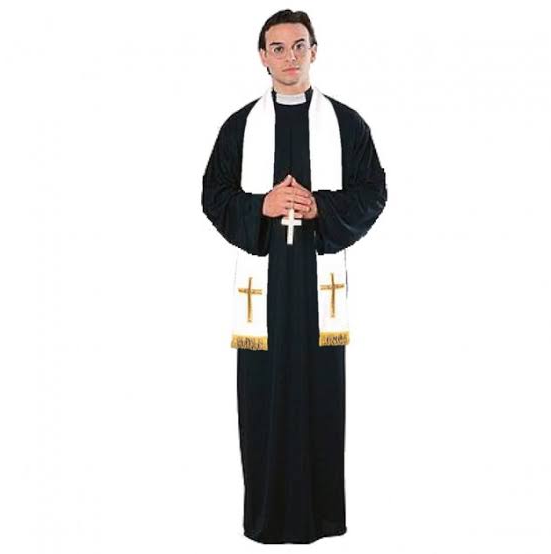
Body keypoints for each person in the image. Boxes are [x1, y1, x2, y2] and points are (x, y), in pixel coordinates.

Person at [201, 9, 387, 544]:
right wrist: (259, 205)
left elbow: (374, 192)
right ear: (263, 56)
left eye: (299, 45)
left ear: (314, 51)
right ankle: (266, 516)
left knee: (320, 394)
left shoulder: (346, 124)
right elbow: (213, 194)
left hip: (317, 287)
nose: (289, 57)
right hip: (264, 291)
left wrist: (319, 207)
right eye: (278, 48)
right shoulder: (240, 126)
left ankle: (322, 516)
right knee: (263, 396)